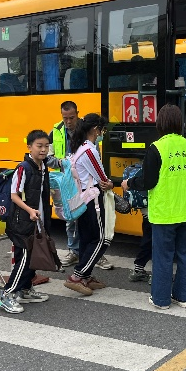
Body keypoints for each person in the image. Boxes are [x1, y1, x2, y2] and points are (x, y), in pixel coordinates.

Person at [123, 105, 186, 309]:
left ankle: (161, 300)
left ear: (160, 124)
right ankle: (183, 297)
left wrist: (129, 183)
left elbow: (147, 182)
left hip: (165, 213)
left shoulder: (157, 148)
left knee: (163, 257)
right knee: (185, 255)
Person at [49, 101, 113, 271]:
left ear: (78, 113)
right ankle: (75, 255)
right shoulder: (56, 132)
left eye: (71, 117)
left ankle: (90, 258)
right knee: (73, 221)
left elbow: (95, 160)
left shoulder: (86, 136)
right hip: (68, 183)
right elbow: (48, 157)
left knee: (85, 226)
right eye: (65, 118)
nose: (68, 121)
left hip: (81, 184)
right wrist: (65, 163)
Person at [0, 130, 54, 314]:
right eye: (39, 146)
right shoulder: (24, 168)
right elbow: (14, 195)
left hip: (37, 220)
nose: (43, 150)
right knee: (23, 259)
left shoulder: (42, 166)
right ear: (29, 147)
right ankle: (7, 295)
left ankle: (25, 289)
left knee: (33, 257)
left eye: (46, 146)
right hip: (23, 221)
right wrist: (29, 210)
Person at [64, 113, 115, 295]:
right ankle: (78, 276)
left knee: (87, 238)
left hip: (82, 200)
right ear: (95, 129)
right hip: (93, 199)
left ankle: (86, 277)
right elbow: (102, 179)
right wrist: (111, 184)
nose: (103, 133)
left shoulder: (79, 147)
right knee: (102, 238)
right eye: (102, 130)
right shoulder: (90, 149)